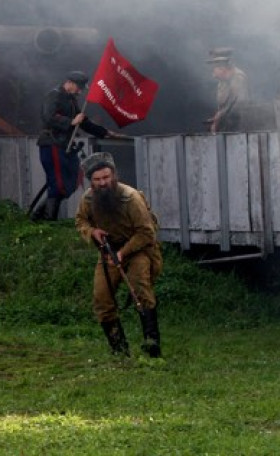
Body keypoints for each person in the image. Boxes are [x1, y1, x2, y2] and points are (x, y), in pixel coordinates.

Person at [75, 151, 163, 358]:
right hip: (107, 253)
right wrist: (92, 232)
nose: (103, 183)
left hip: (138, 250)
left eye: (106, 177)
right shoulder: (88, 199)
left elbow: (146, 232)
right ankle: (120, 351)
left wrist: (123, 252)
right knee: (101, 299)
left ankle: (153, 347)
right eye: (97, 180)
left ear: (113, 175)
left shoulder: (131, 198)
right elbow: (81, 221)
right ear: (91, 182)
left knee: (141, 293)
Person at [34, 71, 117, 221]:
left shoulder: (72, 101)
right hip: (52, 143)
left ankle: (37, 217)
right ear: (70, 83)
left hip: (65, 146)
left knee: (71, 183)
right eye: (79, 87)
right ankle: (48, 221)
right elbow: (49, 116)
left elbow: (83, 122)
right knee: (58, 184)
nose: (80, 91)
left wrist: (104, 132)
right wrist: (70, 121)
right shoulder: (54, 95)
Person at [206, 47, 249, 133]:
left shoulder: (238, 78)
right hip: (227, 124)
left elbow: (235, 105)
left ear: (222, 68)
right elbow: (222, 105)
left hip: (238, 126)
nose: (213, 74)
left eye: (214, 69)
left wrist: (218, 118)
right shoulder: (222, 81)